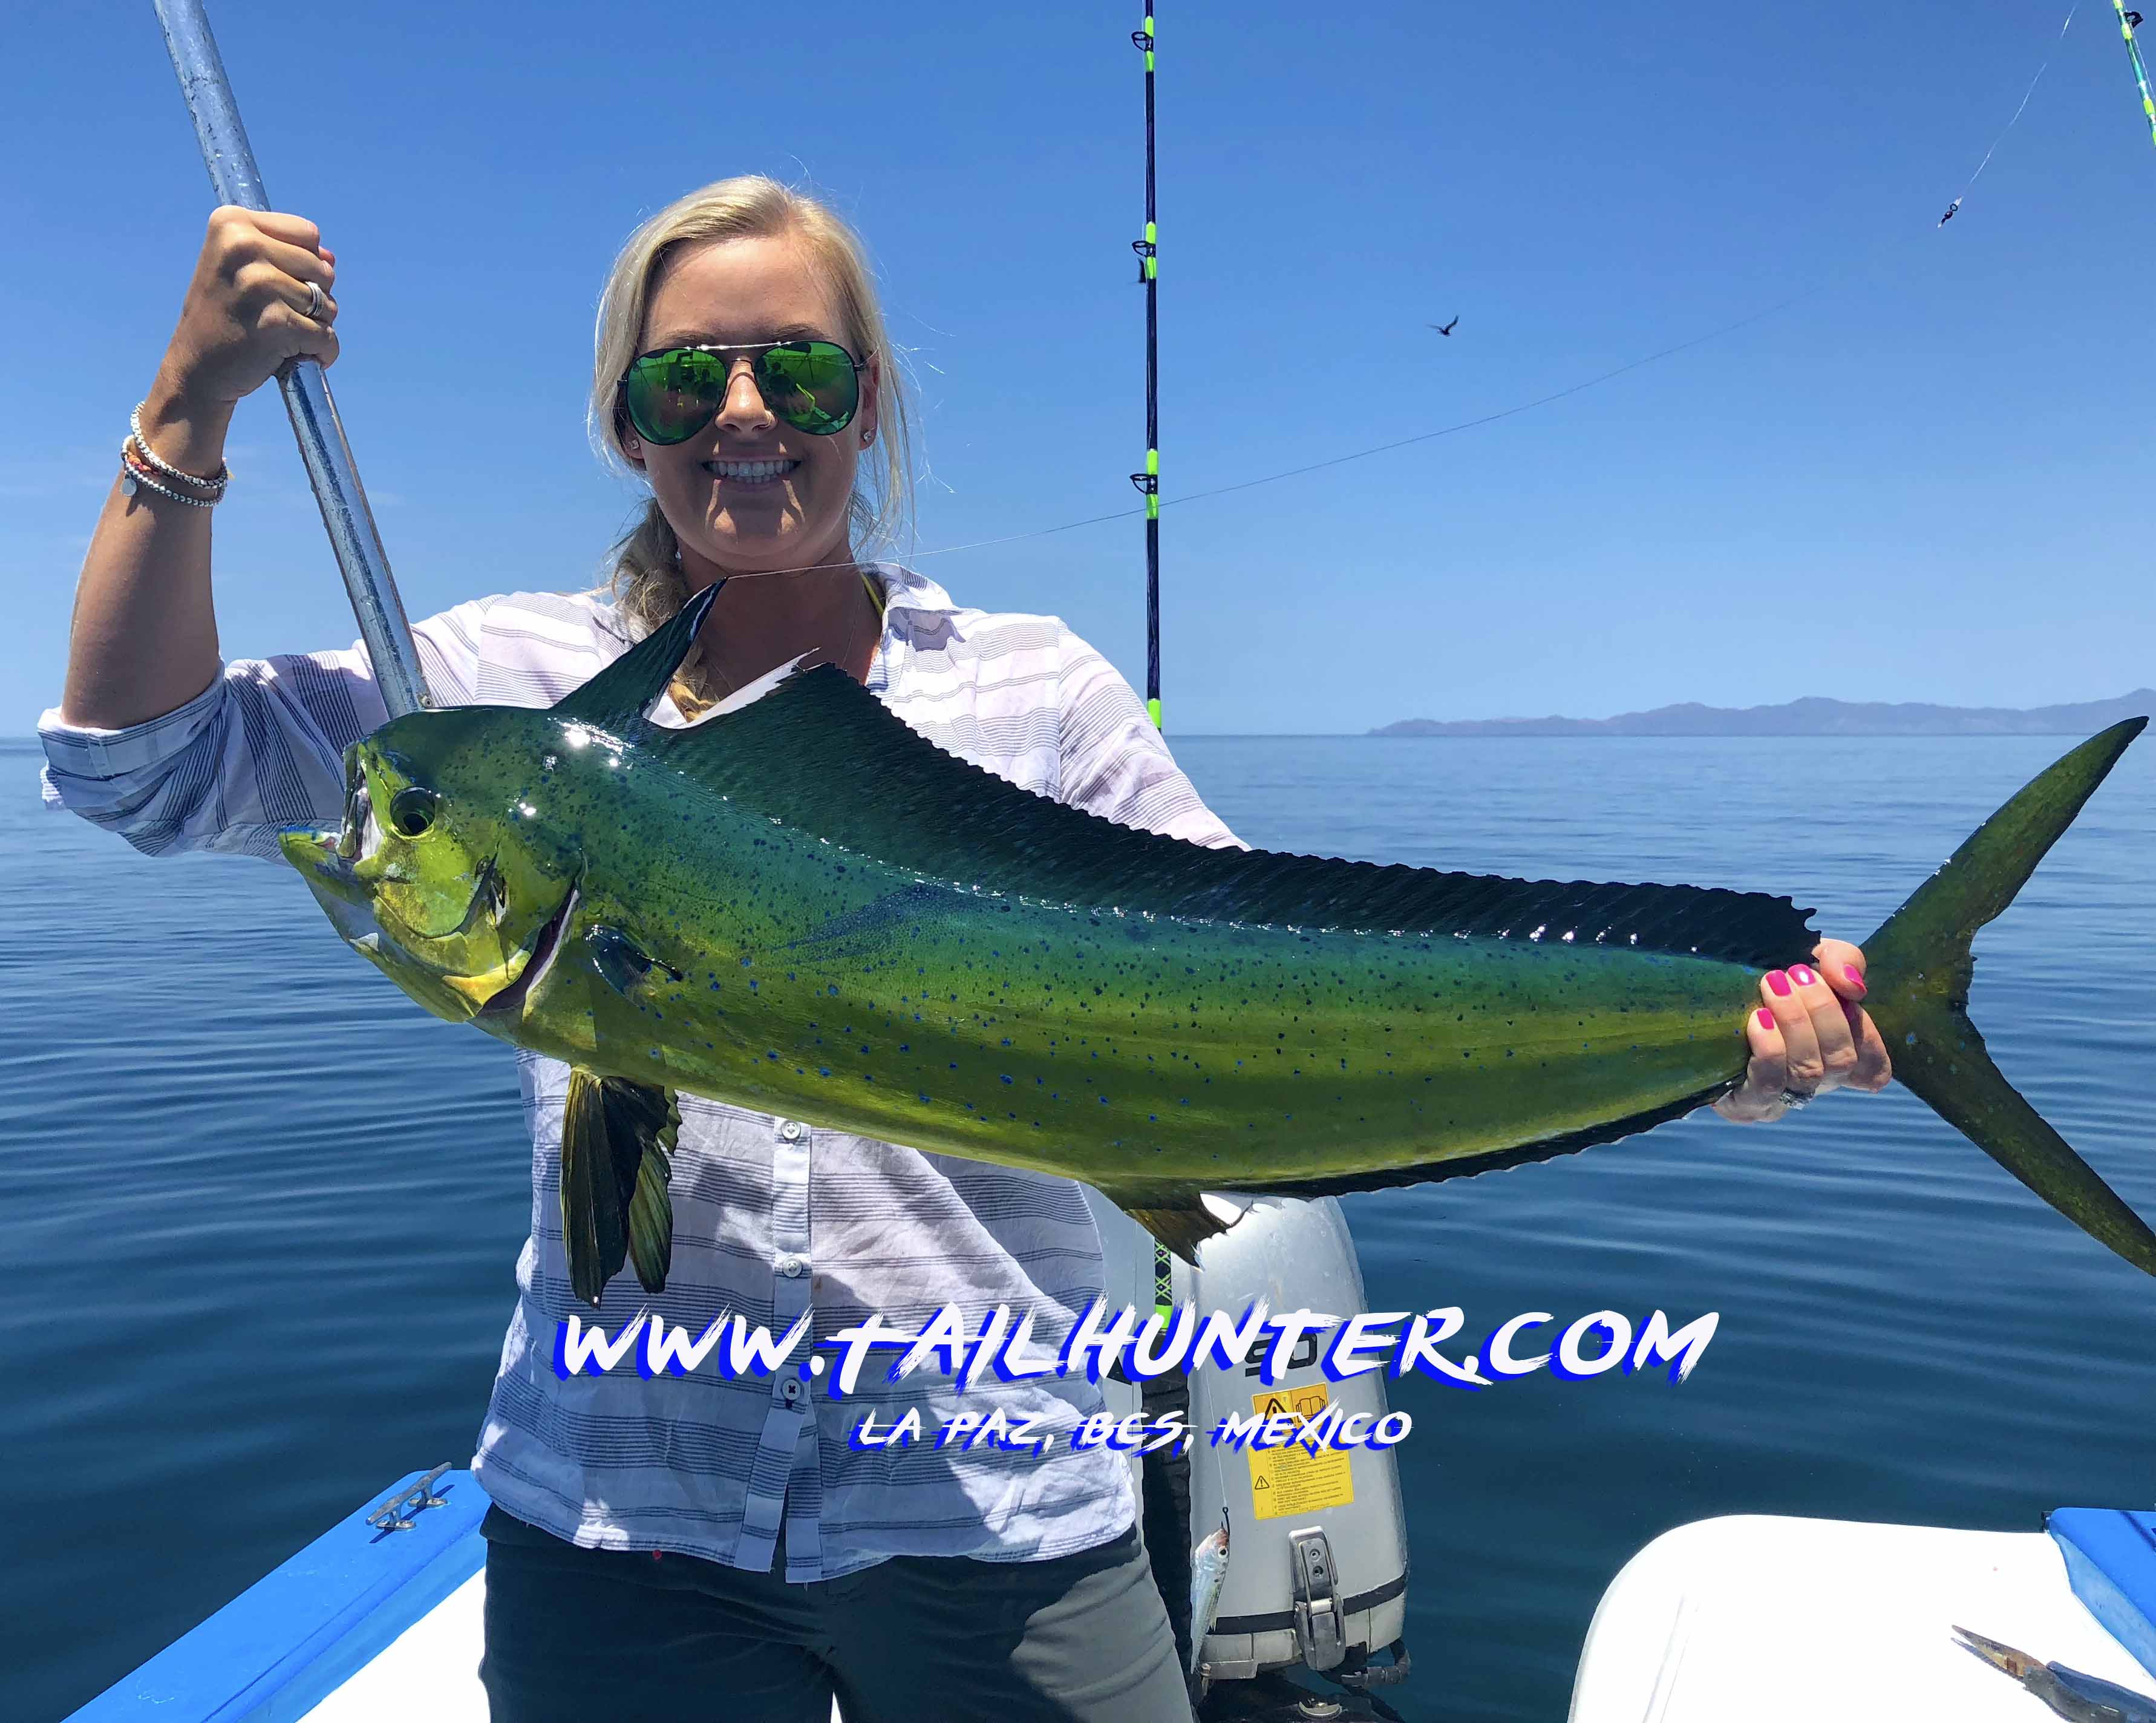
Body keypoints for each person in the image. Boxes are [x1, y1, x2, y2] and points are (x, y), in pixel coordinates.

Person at [39, 175, 1890, 1722]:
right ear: (624, 420)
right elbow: (142, 769)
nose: (744, 413)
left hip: (995, 1516)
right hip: (619, 1508)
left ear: (868, 408)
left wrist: (1703, 1046)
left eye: (799, 369)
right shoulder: (498, 696)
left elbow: (1287, 988)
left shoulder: (1030, 686)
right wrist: (189, 406)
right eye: (685, 377)